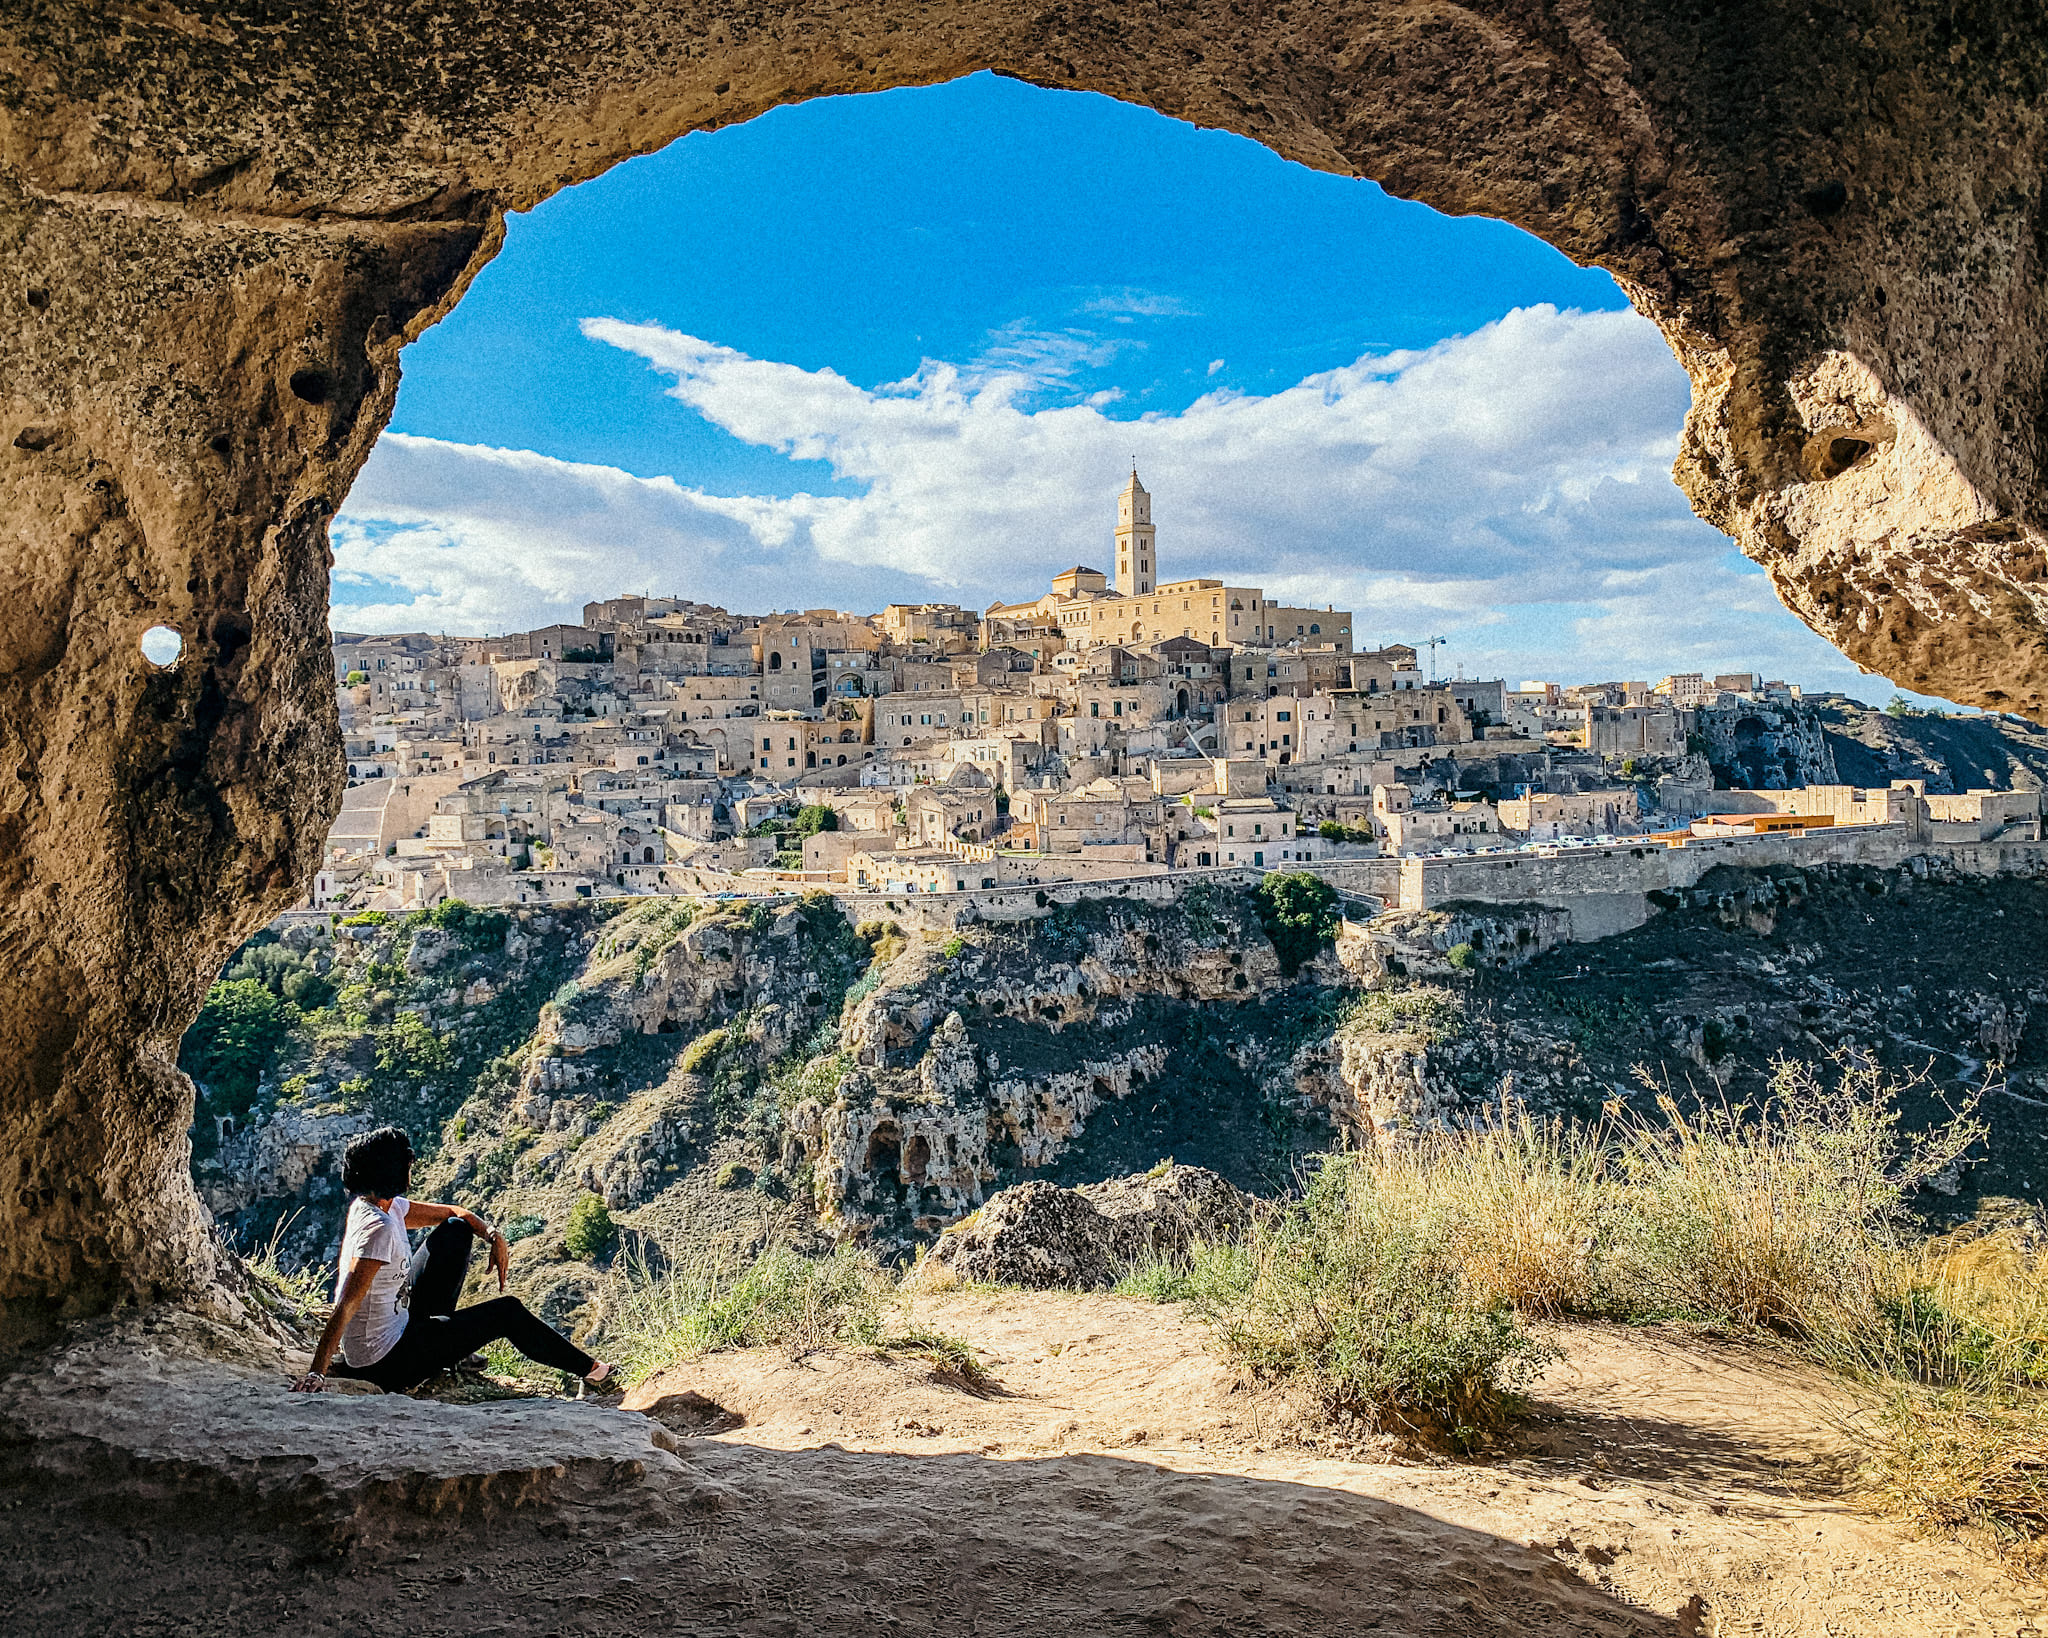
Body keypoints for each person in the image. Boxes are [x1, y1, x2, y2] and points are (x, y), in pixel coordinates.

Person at [290, 1125, 614, 1394]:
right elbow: (346, 1304)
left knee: (456, 1230)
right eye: (407, 1163)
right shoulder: (379, 1230)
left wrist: (492, 1236)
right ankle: (593, 1371)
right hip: (384, 1362)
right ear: (394, 1170)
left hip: (401, 1325)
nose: (411, 1167)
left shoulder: (381, 1205)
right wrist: (317, 1372)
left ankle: (452, 1352)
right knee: (507, 1312)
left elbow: (456, 1213)